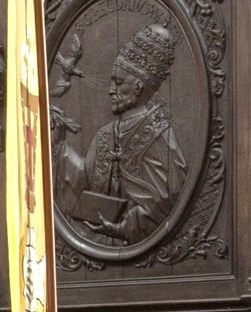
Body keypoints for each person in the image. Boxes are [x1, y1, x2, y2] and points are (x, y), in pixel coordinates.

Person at [60, 21, 187, 244]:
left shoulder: (159, 136)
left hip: (141, 246)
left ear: (137, 87)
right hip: (95, 246)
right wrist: (58, 147)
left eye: (118, 83)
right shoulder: (105, 135)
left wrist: (122, 228)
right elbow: (84, 183)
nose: (111, 91)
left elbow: (168, 200)